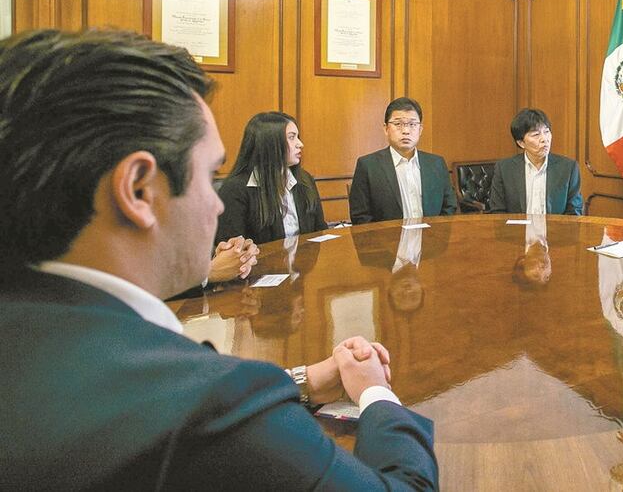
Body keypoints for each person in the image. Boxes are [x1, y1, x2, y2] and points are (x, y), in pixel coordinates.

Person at [0, 29, 438, 489]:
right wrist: (375, 393)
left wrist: (304, 380)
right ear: (138, 190)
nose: (217, 203)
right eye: (210, 176)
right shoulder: (201, 402)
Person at [215, 112, 327, 245]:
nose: (300, 144)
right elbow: (231, 250)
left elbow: (320, 231)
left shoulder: (305, 179)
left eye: (298, 137)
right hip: (261, 265)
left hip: (302, 264)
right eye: (291, 137)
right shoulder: (235, 190)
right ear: (269, 143)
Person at [349, 97, 458, 224]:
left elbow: (449, 207)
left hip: (431, 240)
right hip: (386, 241)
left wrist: (435, 235)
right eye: (398, 124)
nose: (406, 131)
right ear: (386, 128)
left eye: (412, 124)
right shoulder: (368, 166)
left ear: (420, 129)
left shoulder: (436, 164)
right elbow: (360, 216)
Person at [489, 108, 583, 216]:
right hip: (516, 231)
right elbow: (497, 211)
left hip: (555, 231)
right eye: (536, 135)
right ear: (521, 143)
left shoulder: (568, 168)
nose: (544, 139)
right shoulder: (504, 168)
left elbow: (574, 211)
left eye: (547, 132)